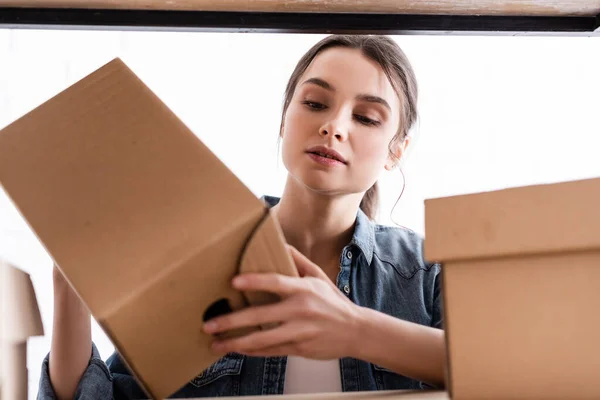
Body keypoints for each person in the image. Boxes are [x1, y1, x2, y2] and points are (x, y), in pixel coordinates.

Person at [38, 34, 444, 400]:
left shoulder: (428, 274)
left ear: (397, 151)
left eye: (366, 118)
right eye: (315, 104)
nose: (333, 126)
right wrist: (68, 284)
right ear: (284, 119)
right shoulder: (194, 260)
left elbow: (500, 374)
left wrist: (356, 329)